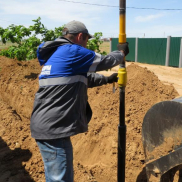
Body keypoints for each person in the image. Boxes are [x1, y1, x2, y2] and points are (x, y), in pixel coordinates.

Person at [30, 20, 129, 182]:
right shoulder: (72, 51)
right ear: (80, 36)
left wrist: (107, 79)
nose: (86, 44)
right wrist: (121, 53)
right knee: (60, 179)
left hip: (48, 126)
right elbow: (105, 61)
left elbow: (83, 78)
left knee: (56, 176)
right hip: (54, 128)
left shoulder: (58, 54)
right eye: (86, 40)